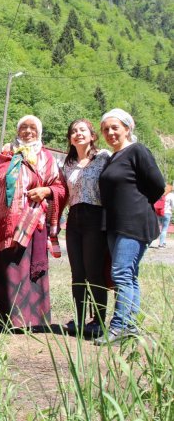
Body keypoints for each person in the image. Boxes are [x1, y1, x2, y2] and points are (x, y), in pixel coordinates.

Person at [0, 115, 67, 330]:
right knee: (6, 268)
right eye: (23, 128)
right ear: (17, 131)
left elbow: (60, 187)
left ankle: (30, 319)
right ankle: (1, 317)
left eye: (32, 128)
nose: (28, 132)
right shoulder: (5, 155)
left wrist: (46, 190)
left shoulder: (47, 158)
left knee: (25, 269)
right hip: (1, 223)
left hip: (31, 222)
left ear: (39, 132)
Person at [95, 108, 165, 345]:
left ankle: (118, 327)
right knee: (129, 275)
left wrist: (136, 205)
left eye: (115, 127)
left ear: (127, 128)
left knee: (121, 274)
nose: (110, 132)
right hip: (114, 223)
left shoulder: (137, 151)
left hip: (133, 222)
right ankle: (130, 326)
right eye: (106, 129)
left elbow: (157, 185)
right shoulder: (113, 156)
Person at [62, 119, 111, 336]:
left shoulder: (104, 158)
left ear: (92, 135)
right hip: (74, 219)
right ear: (70, 139)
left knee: (94, 272)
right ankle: (80, 319)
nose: (78, 134)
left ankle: (98, 322)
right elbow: (63, 194)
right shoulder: (68, 163)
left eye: (82, 130)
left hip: (96, 216)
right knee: (77, 273)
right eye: (74, 131)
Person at [156, 184, 173, 248]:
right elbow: (173, 205)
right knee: (164, 229)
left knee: (158, 228)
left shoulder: (159, 194)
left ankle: (163, 241)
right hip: (167, 213)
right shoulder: (171, 195)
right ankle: (161, 245)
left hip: (158, 212)